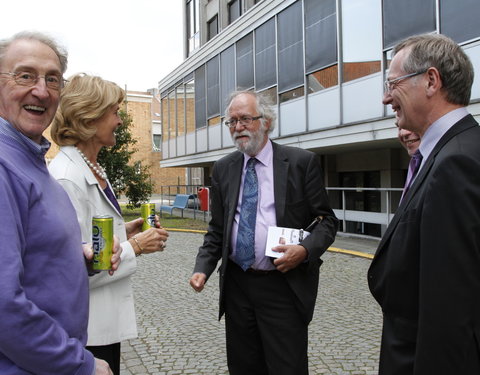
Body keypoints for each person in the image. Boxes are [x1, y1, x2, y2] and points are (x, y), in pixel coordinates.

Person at [189, 90, 338, 375]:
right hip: (237, 286)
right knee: (244, 367)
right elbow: (217, 230)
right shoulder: (223, 169)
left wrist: (304, 250)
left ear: (266, 121)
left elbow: (327, 222)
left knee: (287, 367)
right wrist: (202, 268)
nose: (238, 127)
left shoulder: (300, 163)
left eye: (245, 119)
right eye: (231, 122)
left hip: (283, 285)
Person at [0, 31, 116, 374]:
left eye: (53, 79)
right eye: (25, 75)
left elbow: (33, 257)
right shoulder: (5, 166)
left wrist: (79, 256)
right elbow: (4, 303)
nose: (41, 90)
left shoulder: (33, 162)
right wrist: (81, 365)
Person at [368, 33, 480, 374]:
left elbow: (448, 313)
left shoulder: (454, 164)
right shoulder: (456, 150)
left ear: (431, 81)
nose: (387, 98)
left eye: (393, 84)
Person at [48, 73, 169, 375]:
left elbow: (89, 235)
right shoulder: (66, 177)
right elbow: (72, 269)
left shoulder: (90, 166)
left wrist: (122, 231)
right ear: (89, 117)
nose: (119, 121)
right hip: (85, 330)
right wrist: (136, 247)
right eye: (114, 113)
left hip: (102, 325)